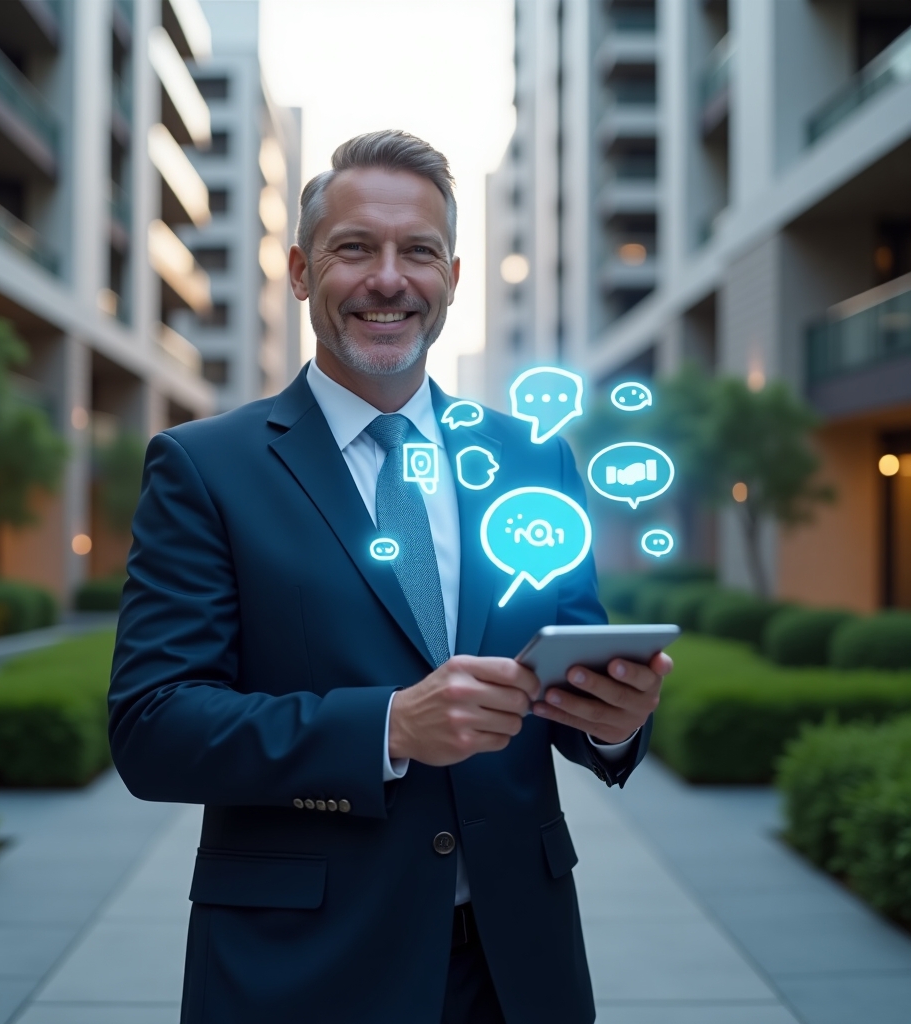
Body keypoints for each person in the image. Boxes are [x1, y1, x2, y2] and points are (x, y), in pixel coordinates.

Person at [109, 130, 670, 1024]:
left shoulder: (534, 462)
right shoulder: (203, 467)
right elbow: (152, 726)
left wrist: (613, 724)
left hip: (517, 968)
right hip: (299, 969)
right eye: (354, 249)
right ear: (300, 271)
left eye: (418, 251)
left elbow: (570, 684)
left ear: (453, 275)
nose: (388, 279)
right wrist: (388, 727)